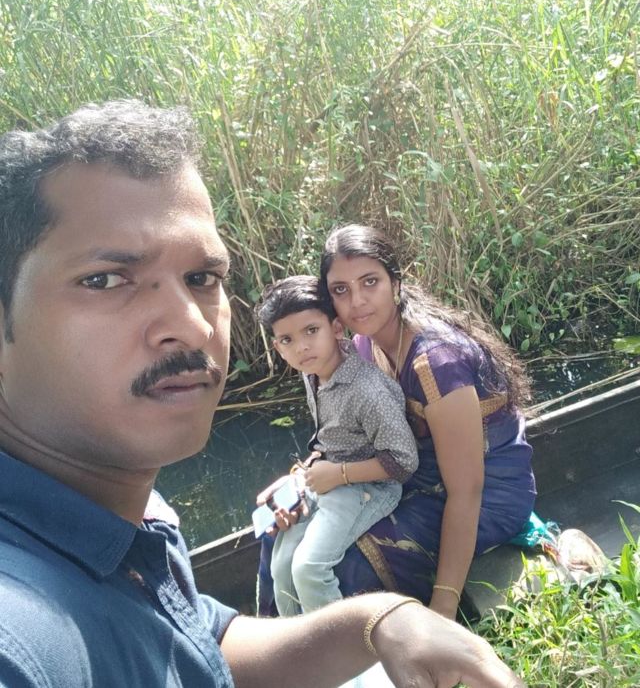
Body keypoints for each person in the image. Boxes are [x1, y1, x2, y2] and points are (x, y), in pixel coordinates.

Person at [0, 100, 525, 688]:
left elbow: (193, 639)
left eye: (202, 278)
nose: (192, 326)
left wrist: (387, 619)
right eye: (104, 280)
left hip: (452, 490)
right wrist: (307, 477)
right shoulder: (18, 636)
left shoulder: (142, 516)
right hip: (398, 480)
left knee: (337, 561)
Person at [259, 224, 536, 622]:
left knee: (344, 565)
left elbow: (467, 491)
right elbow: (352, 436)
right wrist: (300, 480)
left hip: (485, 495)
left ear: (396, 282)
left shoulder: (437, 365)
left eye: (370, 282)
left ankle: (349, 654)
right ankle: (288, 648)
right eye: (340, 290)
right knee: (278, 535)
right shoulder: (363, 343)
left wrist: (444, 606)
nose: (357, 301)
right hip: (408, 476)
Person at [255, 275, 418, 616]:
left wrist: (339, 474)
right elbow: (329, 440)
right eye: (288, 339)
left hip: (371, 486)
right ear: (277, 347)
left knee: (309, 568)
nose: (301, 347)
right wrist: (299, 479)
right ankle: (296, 641)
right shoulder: (312, 372)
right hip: (327, 479)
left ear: (336, 328)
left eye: (311, 331)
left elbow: (404, 462)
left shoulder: (366, 390)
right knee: (281, 567)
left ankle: (341, 647)